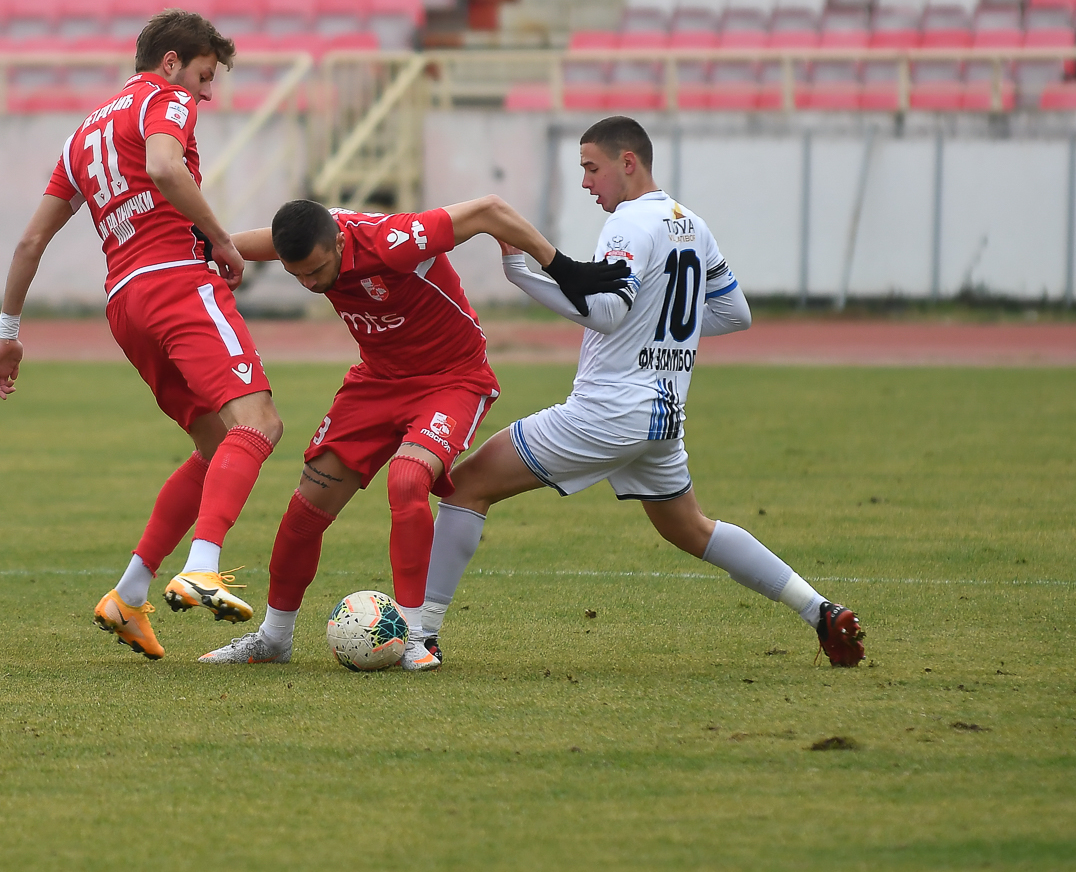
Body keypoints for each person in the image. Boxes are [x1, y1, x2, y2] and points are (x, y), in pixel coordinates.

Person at [418, 115, 867, 668]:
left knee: (465, 486)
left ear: (627, 162)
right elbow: (735, 313)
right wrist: (660, 327)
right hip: (662, 417)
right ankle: (820, 610)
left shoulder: (629, 223)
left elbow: (606, 312)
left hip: (608, 413)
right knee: (692, 530)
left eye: (591, 168)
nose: (586, 183)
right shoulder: (692, 224)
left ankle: (421, 637)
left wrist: (524, 275)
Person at [197, 194, 631, 670]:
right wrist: (192, 249)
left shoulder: (393, 242)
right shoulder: (309, 249)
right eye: (296, 274)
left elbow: (490, 211)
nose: (309, 282)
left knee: (407, 479)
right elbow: (233, 244)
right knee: (306, 507)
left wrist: (563, 267)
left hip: (452, 378)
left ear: (340, 243)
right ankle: (274, 639)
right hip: (377, 381)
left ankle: (415, 636)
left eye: (317, 270)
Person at [0, 10, 284, 662]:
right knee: (258, 423)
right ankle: (203, 564)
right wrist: (223, 241)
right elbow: (166, 168)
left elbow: (31, 240)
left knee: (216, 447)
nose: (206, 94)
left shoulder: (83, 133)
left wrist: (5, 330)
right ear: (173, 62)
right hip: (179, 281)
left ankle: (128, 593)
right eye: (205, 76)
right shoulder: (164, 98)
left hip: (125, 302)